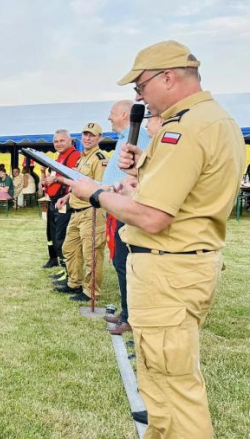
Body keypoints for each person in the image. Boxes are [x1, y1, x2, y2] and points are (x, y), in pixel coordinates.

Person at [65, 40, 245, 439]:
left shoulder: (187, 128)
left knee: (176, 391)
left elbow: (153, 216)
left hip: (169, 268)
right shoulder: (211, 121)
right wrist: (140, 173)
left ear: (168, 77)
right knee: (159, 384)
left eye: (141, 86)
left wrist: (95, 193)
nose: (138, 97)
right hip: (177, 265)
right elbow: (177, 197)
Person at [102, 100, 152, 336]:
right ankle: (126, 312)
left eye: (111, 114)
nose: (109, 118)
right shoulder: (125, 137)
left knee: (124, 262)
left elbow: (139, 173)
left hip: (128, 207)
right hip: (118, 206)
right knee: (120, 261)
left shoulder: (138, 135)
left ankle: (132, 316)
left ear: (124, 114)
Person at [54, 123, 108, 302]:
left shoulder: (99, 159)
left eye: (92, 135)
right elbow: (79, 183)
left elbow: (98, 187)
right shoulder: (82, 158)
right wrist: (67, 197)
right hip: (76, 211)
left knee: (91, 254)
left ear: (99, 138)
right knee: (69, 249)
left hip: (91, 212)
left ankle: (90, 291)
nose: (87, 138)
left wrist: (60, 179)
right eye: (85, 135)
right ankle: (74, 283)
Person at [41, 130, 80, 270]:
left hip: (64, 200)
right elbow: (50, 179)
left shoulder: (75, 156)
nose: (58, 144)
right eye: (56, 141)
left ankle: (67, 270)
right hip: (53, 200)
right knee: (50, 233)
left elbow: (76, 178)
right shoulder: (59, 158)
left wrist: (56, 179)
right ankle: (53, 258)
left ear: (70, 141)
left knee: (61, 236)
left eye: (62, 140)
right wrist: (43, 175)